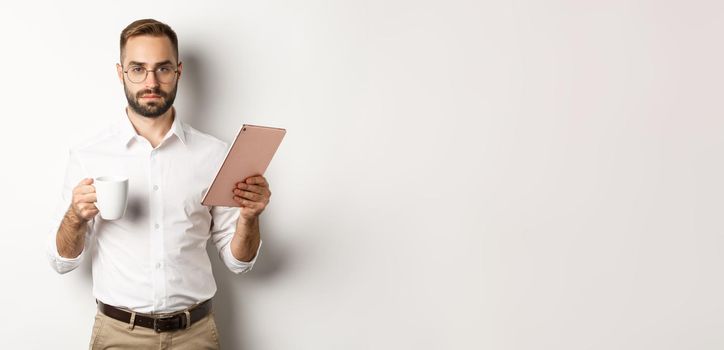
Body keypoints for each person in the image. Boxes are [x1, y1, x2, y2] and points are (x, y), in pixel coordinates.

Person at [45, 18, 271, 350]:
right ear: (121, 73)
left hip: (194, 335)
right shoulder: (89, 155)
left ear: (178, 71)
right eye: (138, 69)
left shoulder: (214, 154)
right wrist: (75, 217)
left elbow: (238, 261)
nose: (151, 81)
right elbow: (63, 261)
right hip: (118, 336)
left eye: (162, 69)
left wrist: (250, 218)